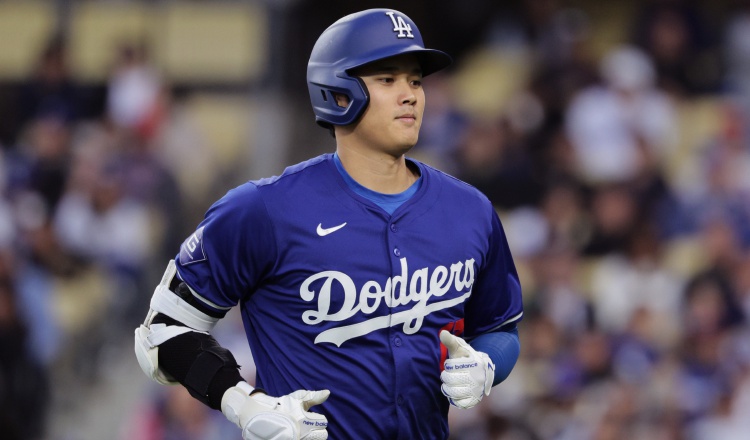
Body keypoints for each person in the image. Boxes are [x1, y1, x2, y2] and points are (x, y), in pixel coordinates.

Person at [134, 8, 523, 440]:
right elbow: (163, 331)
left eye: (415, 80)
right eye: (388, 79)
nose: (410, 94)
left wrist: (487, 364)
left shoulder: (470, 209)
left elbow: (500, 328)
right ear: (338, 92)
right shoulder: (262, 209)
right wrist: (243, 403)